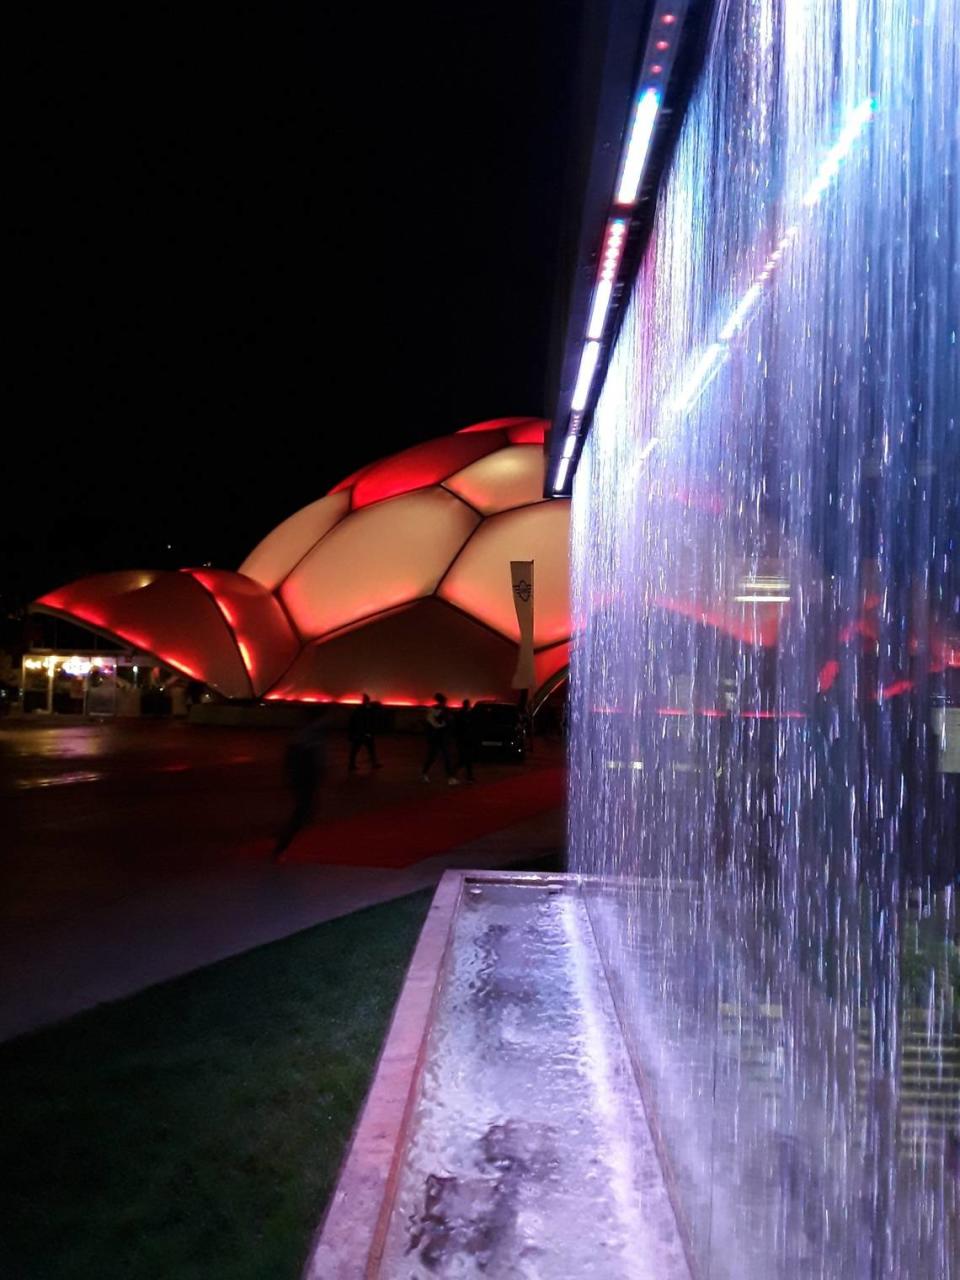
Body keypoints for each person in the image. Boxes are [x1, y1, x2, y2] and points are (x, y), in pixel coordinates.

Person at [272, 713, 327, 860]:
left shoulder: (301, 736)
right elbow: (317, 759)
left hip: (300, 778)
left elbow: (290, 758)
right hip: (306, 778)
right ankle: (283, 841)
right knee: (303, 810)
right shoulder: (313, 738)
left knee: (305, 808)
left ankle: (286, 837)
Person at [422, 692, 458, 784]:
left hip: (437, 737)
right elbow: (448, 723)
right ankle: (450, 777)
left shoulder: (433, 710)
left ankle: (424, 773)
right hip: (440, 737)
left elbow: (430, 724)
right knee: (444, 757)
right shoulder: (444, 710)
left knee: (434, 757)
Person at [348, 692, 381, 772]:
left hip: (360, 733)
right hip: (364, 733)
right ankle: (373, 763)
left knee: (356, 749)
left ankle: (352, 764)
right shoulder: (367, 711)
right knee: (369, 749)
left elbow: (354, 722)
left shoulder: (360, 710)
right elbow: (367, 723)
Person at [454, 698, 476, 782]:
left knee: (465, 759)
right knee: (465, 759)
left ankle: (467, 775)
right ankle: (467, 775)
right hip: (464, 739)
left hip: (464, 739)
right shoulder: (465, 715)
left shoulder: (461, 714)